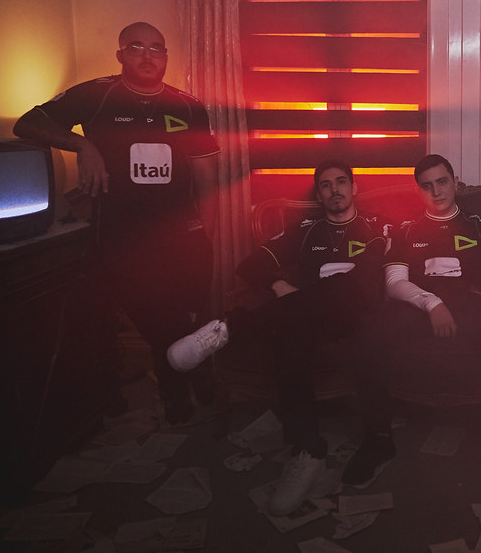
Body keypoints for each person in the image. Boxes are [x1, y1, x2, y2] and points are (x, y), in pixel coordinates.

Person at [14, 22, 220, 426]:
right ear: (121, 54)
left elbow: (207, 180)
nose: (147, 56)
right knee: (157, 315)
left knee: (191, 314)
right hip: (121, 236)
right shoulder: (96, 95)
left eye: (157, 48)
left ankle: (192, 373)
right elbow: (26, 123)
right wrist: (82, 144)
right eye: (137, 47)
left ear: (165, 57)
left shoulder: (188, 106)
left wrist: (206, 237)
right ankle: (178, 385)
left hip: (181, 236)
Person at [167, 160, 395, 516]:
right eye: (326, 185)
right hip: (309, 316)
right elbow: (249, 265)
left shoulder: (375, 226)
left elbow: (366, 281)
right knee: (292, 337)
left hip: (357, 314)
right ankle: (307, 451)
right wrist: (278, 284)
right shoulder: (305, 230)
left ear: (354, 188)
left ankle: (230, 328)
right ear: (319, 194)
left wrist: (302, 296)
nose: (334, 190)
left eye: (341, 182)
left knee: (344, 286)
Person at [382, 154, 481, 494]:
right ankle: (377, 439)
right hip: (422, 305)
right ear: (418, 192)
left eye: (442, 182)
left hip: (471, 303)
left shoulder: (480, 223)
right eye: (427, 186)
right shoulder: (405, 228)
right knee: (371, 331)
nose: (436, 191)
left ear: (455, 183)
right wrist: (432, 303)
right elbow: (394, 282)